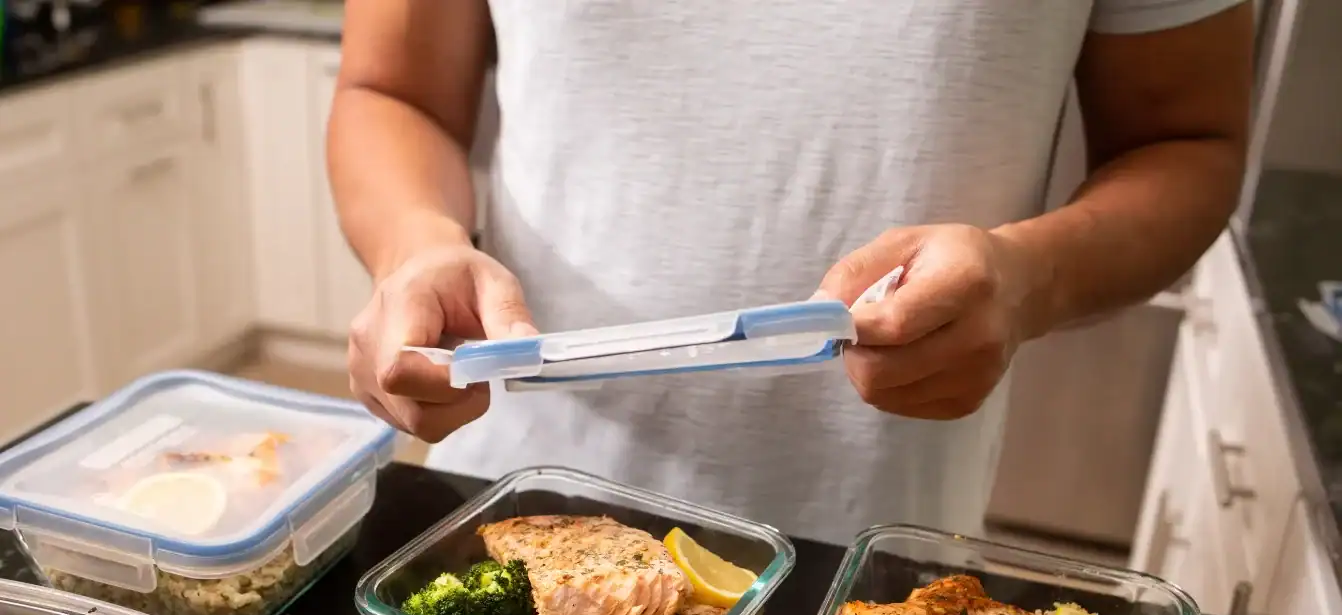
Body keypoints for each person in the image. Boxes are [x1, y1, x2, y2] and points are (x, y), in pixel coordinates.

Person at [328, 0, 1252, 544]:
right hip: (511, 504)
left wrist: (1028, 278)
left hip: (867, 542)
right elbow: (392, 90)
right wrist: (417, 245)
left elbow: (1188, 142)